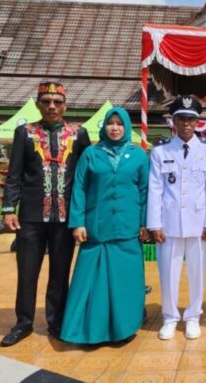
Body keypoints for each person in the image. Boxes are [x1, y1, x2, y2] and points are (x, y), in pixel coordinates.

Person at [0, 82, 91, 347]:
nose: (52, 106)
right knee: (27, 272)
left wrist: (87, 214)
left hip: (66, 219)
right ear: (38, 103)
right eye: (46, 101)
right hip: (31, 216)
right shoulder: (24, 133)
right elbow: (14, 174)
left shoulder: (79, 134)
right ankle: (24, 322)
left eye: (57, 101)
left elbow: (86, 175)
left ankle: (56, 321)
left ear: (66, 104)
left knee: (60, 273)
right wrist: (8, 209)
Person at [60, 107, 149, 344]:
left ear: (128, 127)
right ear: (104, 126)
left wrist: (144, 222)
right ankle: (87, 330)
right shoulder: (91, 154)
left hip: (127, 229)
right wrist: (77, 222)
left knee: (125, 282)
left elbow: (145, 191)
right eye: (111, 123)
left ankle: (124, 328)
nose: (115, 128)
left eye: (120, 123)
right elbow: (79, 188)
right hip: (97, 227)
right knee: (90, 282)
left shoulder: (139, 155)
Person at [147, 95, 206, 340]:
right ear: (173, 122)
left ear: (197, 123)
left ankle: (193, 316)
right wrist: (154, 224)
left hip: (198, 222)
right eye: (181, 119)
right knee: (167, 271)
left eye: (190, 119)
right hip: (168, 222)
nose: (186, 124)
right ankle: (169, 316)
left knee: (197, 271)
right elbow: (155, 188)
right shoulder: (160, 152)